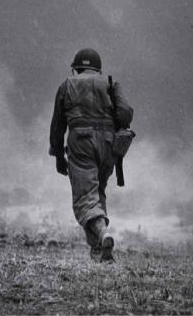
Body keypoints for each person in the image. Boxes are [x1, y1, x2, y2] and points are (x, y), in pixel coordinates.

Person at [49, 48, 133, 263]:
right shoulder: (110, 83)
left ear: (76, 68)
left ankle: (103, 235)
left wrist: (58, 155)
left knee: (85, 197)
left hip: (81, 142)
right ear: (98, 68)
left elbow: (57, 126)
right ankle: (99, 253)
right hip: (108, 145)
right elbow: (125, 114)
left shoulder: (67, 85)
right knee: (97, 193)